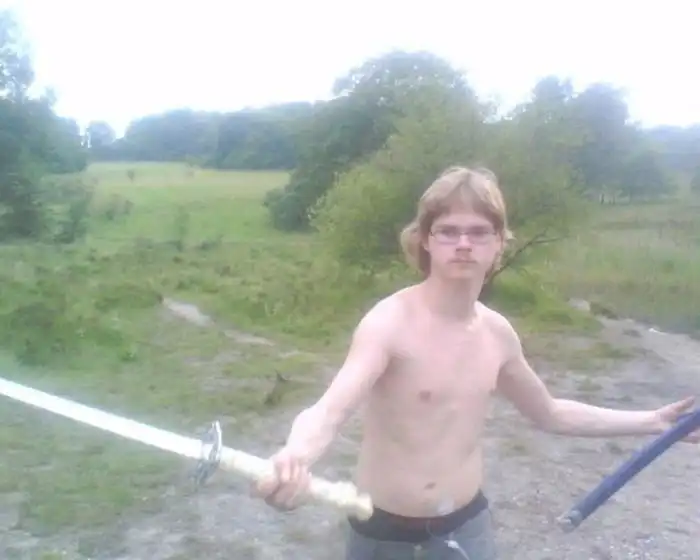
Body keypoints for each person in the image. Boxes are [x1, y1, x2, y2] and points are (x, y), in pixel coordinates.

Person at [253, 166, 698, 559]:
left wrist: (654, 422)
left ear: (498, 243)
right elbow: (330, 411)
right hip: (382, 532)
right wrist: (296, 457)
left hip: (467, 529)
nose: (464, 243)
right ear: (426, 240)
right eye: (448, 231)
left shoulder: (497, 334)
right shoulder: (388, 323)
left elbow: (550, 412)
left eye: (479, 231)